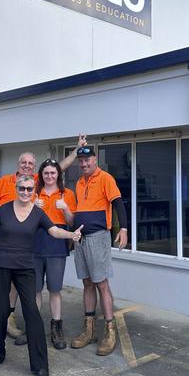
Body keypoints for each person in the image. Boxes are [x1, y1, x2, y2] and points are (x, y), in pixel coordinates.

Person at [0, 175, 83, 376]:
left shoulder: (38, 213)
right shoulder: (3, 210)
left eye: (30, 189)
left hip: (25, 268)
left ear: (34, 191)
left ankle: (40, 365)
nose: (25, 192)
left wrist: (71, 235)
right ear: (16, 188)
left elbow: (54, 230)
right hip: (1, 264)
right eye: (22, 188)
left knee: (32, 312)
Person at [0, 135, 86, 345]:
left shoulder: (36, 182)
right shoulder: (5, 182)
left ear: (34, 168)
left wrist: (75, 151)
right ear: (18, 165)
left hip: (26, 241)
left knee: (18, 284)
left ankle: (9, 319)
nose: (27, 166)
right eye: (23, 163)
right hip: (0, 237)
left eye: (30, 164)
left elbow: (57, 168)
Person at [70, 146, 128, 356]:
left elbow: (118, 204)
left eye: (88, 160)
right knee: (87, 283)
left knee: (101, 283)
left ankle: (110, 331)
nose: (84, 164)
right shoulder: (78, 182)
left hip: (98, 237)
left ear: (95, 160)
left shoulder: (106, 178)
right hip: (81, 239)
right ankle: (89, 329)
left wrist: (123, 228)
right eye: (81, 161)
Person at [33, 158, 76, 349]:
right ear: (41, 175)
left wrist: (65, 208)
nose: (49, 176)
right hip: (34, 244)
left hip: (56, 245)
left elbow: (72, 222)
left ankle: (57, 328)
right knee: (34, 289)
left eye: (53, 173)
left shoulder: (67, 194)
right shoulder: (33, 193)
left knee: (55, 289)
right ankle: (33, 327)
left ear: (58, 174)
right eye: (46, 173)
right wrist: (33, 207)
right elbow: (22, 217)